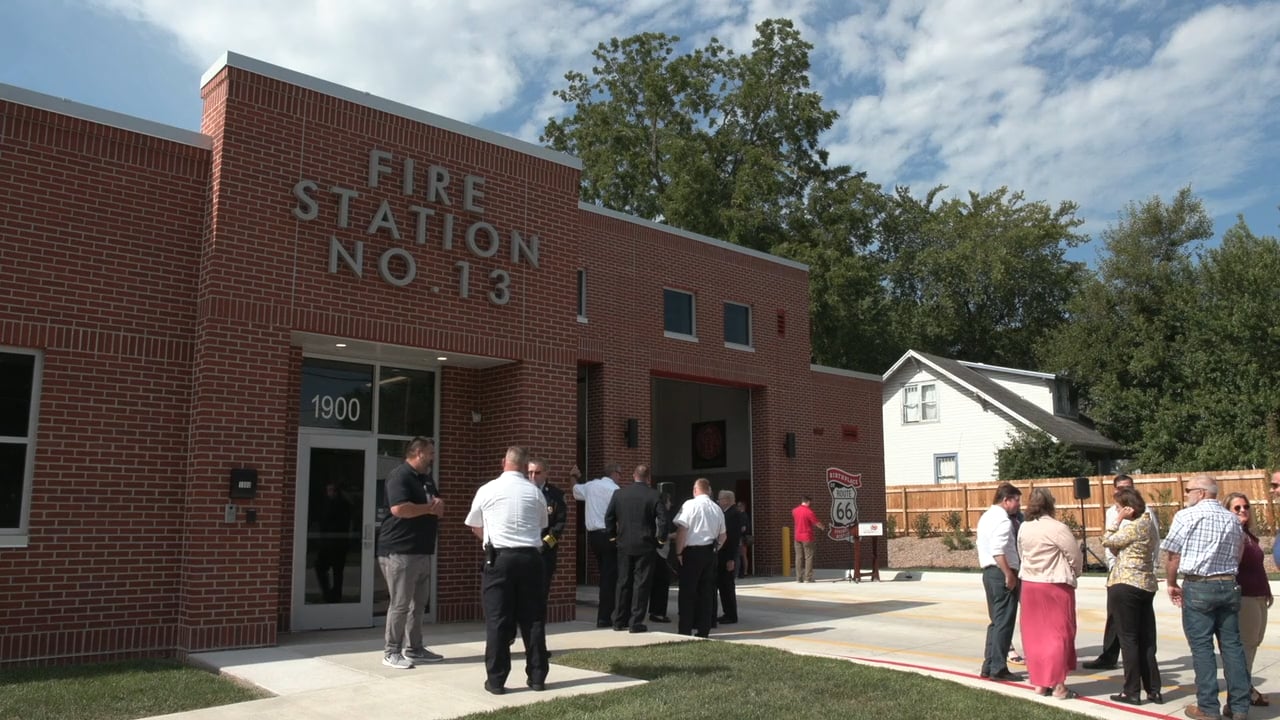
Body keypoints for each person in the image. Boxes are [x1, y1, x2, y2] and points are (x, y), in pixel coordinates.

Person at [1161, 474, 1249, 720]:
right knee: (1232, 646)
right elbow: (1239, 554)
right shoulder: (1232, 519)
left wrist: (1171, 583)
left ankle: (1208, 707)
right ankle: (1239, 706)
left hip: (1199, 584)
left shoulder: (1186, 515)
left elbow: (1173, 555)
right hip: (1228, 583)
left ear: (1200, 492)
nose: (1186, 494)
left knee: (1202, 648)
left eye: (1188, 489)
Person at [464, 446, 549, 695]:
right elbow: (542, 525)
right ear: (524, 467)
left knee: (498, 620)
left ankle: (497, 680)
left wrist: (489, 538)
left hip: (499, 558)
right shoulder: (534, 493)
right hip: (531, 558)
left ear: (504, 462)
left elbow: (473, 524)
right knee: (533, 620)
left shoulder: (488, 489)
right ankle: (537, 677)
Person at [377, 437, 445, 669]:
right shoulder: (400, 476)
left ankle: (415, 649)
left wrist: (438, 506)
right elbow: (399, 509)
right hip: (399, 550)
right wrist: (429, 508)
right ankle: (391, 651)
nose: (433, 457)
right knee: (400, 603)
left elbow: (436, 505)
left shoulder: (425, 478)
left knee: (418, 604)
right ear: (417, 453)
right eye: (430, 453)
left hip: (422, 549)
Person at [1084, 474, 1162, 671]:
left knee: (1135, 629)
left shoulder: (1145, 514)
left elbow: (1153, 541)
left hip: (1136, 573)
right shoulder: (1112, 511)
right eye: (1120, 488)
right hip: (1118, 568)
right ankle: (1109, 655)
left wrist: (1151, 565)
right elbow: (1111, 544)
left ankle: (1137, 673)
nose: (1123, 491)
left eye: (1128, 487)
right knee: (1114, 616)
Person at [1016, 488, 1082, 700]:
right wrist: (1076, 573)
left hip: (1030, 584)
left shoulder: (1024, 527)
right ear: (1050, 504)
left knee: (1035, 636)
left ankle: (1040, 683)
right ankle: (1059, 685)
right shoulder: (1057, 527)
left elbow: (1021, 553)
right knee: (1058, 634)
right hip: (1054, 584)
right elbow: (1074, 554)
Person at [1100, 487, 1163, 705]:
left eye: (1119, 507)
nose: (1116, 510)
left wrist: (1117, 519)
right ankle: (1154, 689)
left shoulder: (1134, 526)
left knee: (1129, 639)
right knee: (1146, 639)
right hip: (1145, 584)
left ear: (1128, 508)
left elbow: (1107, 540)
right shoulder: (1149, 523)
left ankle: (1131, 690)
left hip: (1125, 583)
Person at [1222, 492, 1271, 708]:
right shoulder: (1231, 535)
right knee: (1246, 645)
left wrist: (1267, 590)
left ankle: (1246, 686)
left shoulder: (1250, 535)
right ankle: (1239, 693)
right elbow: (1232, 563)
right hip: (1244, 596)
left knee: (1255, 642)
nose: (1243, 511)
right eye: (1237, 508)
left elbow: (1258, 566)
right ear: (1228, 512)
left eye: (1245, 507)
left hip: (1259, 594)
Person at [604, 464, 664, 633]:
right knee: (641, 584)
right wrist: (660, 540)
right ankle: (635, 621)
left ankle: (618, 619)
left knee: (622, 582)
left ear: (633, 475)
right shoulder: (653, 495)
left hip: (623, 543)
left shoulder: (619, 494)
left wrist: (613, 536)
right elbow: (663, 521)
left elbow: (609, 517)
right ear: (648, 478)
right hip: (645, 545)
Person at [977, 482, 1023, 682]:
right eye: (1017, 500)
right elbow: (998, 550)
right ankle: (998, 667)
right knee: (1004, 621)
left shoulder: (986, 517)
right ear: (1006, 500)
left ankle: (988, 665)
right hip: (1000, 573)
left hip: (988, 573)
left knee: (996, 621)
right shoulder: (1003, 520)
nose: (1019, 505)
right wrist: (1009, 574)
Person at [521, 458, 565, 655]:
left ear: (546, 473)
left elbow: (558, 526)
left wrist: (544, 544)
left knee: (539, 602)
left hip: (543, 555)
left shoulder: (555, 495)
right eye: (529, 472)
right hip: (521, 553)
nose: (532, 477)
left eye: (537, 473)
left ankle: (538, 646)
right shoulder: (520, 492)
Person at [674, 478, 726, 637]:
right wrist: (715, 549)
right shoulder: (717, 509)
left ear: (695, 490)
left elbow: (682, 530)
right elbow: (723, 536)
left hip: (691, 552)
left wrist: (679, 552)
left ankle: (685, 629)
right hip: (709, 552)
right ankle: (704, 630)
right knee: (706, 593)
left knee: (688, 593)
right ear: (709, 490)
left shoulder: (689, 504)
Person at [573, 463, 621, 627]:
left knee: (605, 575)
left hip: (593, 537)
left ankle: (606, 614)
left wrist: (573, 476)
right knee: (610, 578)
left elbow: (574, 490)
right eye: (619, 474)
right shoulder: (615, 490)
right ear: (614, 473)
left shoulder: (591, 486)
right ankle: (605, 617)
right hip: (609, 535)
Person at [314, 480, 353, 603]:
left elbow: (328, 521)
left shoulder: (338, 504)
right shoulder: (339, 503)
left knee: (334, 570)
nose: (329, 493)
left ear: (337, 492)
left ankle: (332, 595)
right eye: (328, 490)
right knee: (330, 569)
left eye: (331, 490)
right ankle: (332, 594)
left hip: (335, 542)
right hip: (333, 542)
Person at [648, 488, 677, 623]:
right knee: (661, 583)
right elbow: (659, 533)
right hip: (659, 552)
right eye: (669, 501)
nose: (670, 504)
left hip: (659, 552)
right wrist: (673, 535)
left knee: (656, 583)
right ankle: (658, 612)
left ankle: (655, 611)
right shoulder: (660, 516)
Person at [716, 490, 744, 624]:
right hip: (724, 555)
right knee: (723, 585)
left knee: (727, 586)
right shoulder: (727, 513)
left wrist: (731, 559)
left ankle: (731, 614)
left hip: (727, 556)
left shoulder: (733, 515)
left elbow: (733, 539)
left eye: (720, 499)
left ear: (727, 500)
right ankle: (728, 612)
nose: (718, 501)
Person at [791, 496, 826, 583]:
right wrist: (822, 527)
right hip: (807, 536)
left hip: (797, 536)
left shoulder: (794, 511)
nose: (810, 504)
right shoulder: (809, 512)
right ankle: (808, 578)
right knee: (808, 557)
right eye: (810, 502)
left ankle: (798, 578)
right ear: (808, 502)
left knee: (798, 557)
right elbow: (816, 522)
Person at [736, 501, 752, 578]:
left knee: (741, 555)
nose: (737, 508)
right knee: (744, 555)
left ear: (742, 507)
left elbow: (743, 528)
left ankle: (744, 571)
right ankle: (745, 571)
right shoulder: (746, 515)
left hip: (741, 538)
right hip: (744, 538)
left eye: (739, 506)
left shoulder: (742, 516)